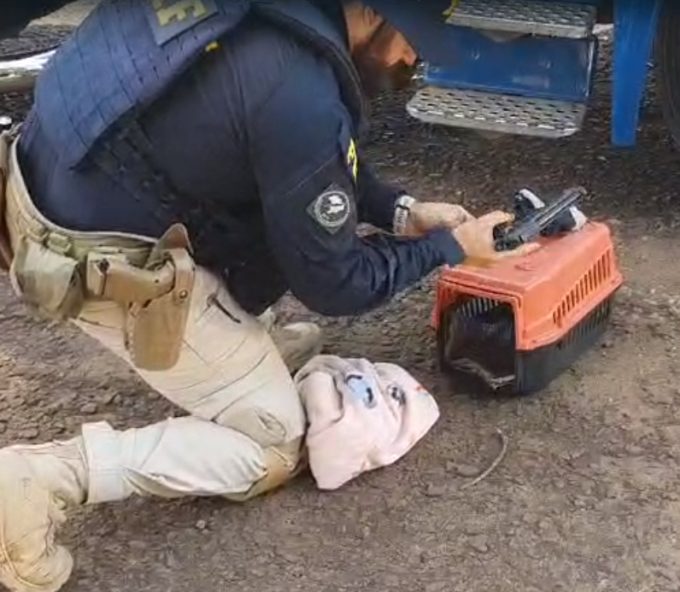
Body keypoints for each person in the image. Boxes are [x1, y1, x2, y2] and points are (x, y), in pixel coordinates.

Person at [0, 1, 538, 591]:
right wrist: (450, 249)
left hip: (48, 182)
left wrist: (403, 212)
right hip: (96, 261)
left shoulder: (264, 23)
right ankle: (37, 480)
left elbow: (290, 153)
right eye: (413, 39)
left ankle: (232, 348)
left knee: (281, 215)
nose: (415, 58)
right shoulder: (295, 89)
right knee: (274, 442)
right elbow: (335, 283)